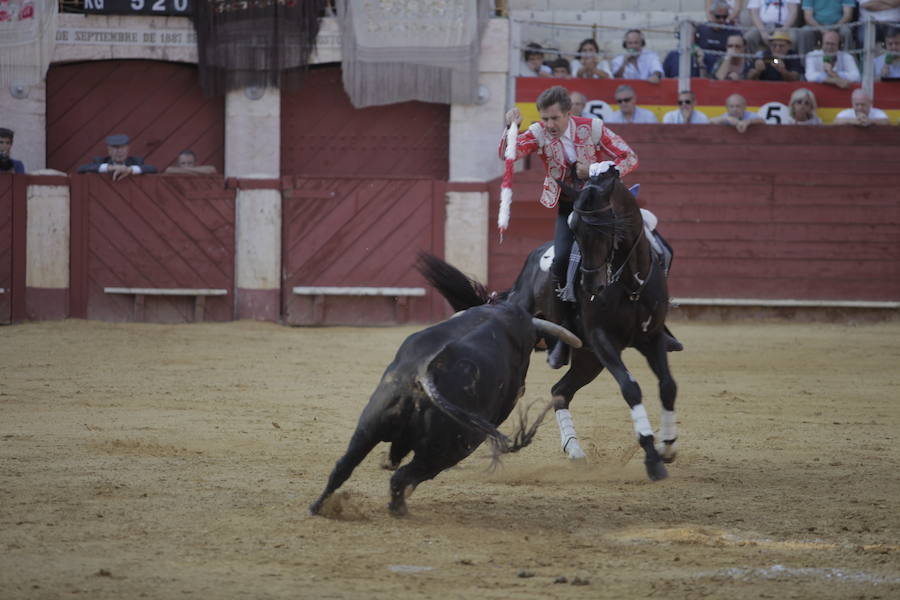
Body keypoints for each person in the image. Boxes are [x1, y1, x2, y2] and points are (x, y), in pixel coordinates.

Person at [501, 85, 639, 367]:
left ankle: (653, 319)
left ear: (569, 113)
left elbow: (630, 158)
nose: (549, 125)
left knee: (646, 245)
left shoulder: (593, 128)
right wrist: (511, 128)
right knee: (561, 260)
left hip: (602, 206)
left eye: (555, 118)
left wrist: (597, 170)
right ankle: (561, 338)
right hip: (569, 208)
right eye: (545, 118)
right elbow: (507, 154)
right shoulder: (538, 132)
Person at [77, 134, 157, 180]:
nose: (119, 152)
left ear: (127, 149)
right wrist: (111, 168)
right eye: (115, 148)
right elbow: (81, 169)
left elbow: (153, 169)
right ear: (109, 151)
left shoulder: (136, 161)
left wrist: (129, 169)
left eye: (122, 148)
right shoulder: (100, 161)